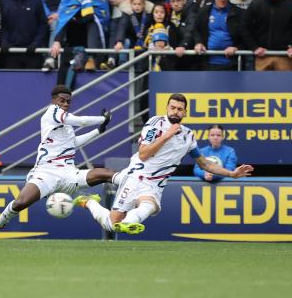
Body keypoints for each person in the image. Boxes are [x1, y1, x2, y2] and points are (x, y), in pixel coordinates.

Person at [73, 93, 254, 235]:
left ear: (185, 112)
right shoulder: (155, 124)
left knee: (150, 205)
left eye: (179, 109)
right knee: (112, 224)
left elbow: (205, 164)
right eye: (172, 107)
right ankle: (89, 202)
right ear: (167, 108)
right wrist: (167, 135)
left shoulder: (188, 135)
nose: (175, 111)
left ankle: (130, 222)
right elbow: (143, 153)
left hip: (155, 184)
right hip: (136, 177)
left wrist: (232, 174)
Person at [0, 85, 114, 237]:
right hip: (46, 172)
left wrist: (99, 130)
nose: (66, 104)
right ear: (54, 101)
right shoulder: (53, 113)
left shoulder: (65, 123)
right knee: (21, 202)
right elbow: (81, 121)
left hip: (68, 173)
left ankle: (127, 202)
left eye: (68, 101)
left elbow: (73, 143)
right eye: (62, 100)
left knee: (106, 174)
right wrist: (103, 118)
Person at [50, 0, 109, 71]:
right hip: (74, 35)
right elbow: (64, 17)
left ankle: (91, 58)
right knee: (64, 20)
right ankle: (51, 58)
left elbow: (100, 16)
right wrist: (57, 40)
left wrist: (77, 19)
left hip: (93, 35)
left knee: (93, 21)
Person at [241, 0, 292, 71]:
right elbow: (244, 27)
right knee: (261, 84)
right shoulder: (256, 4)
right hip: (262, 56)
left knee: (285, 84)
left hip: (284, 55)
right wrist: (254, 47)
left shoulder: (289, 5)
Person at [193, 0, 242, 70]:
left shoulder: (237, 13)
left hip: (231, 63)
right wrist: (198, 43)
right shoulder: (204, 11)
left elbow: (245, 35)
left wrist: (236, 47)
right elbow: (196, 30)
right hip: (209, 61)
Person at [0, 0, 47, 69]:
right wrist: (4, 42)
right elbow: (2, 24)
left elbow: (42, 24)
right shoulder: (5, 0)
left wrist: (36, 43)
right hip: (11, 52)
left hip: (33, 52)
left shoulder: (36, 0)